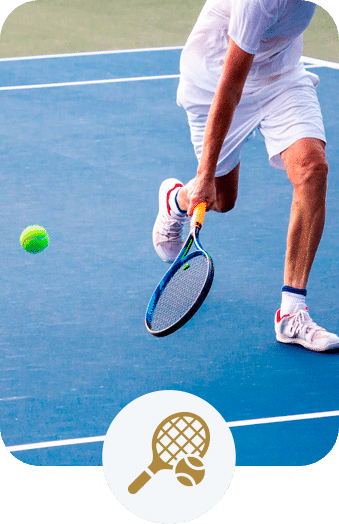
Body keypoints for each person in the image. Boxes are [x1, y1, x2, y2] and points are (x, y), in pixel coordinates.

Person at [152, 0, 339, 352]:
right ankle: (176, 201)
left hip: (281, 78)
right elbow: (231, 85)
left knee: (313, 169)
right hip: (214, 80)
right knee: (221, 199)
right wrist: (205, 174)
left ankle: (292, 313)